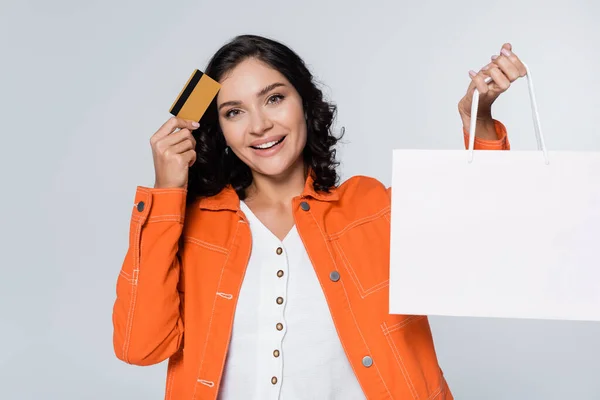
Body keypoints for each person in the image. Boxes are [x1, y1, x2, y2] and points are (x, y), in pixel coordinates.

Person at [112, 34, 523, 399]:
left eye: (274, 98)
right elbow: (140, 345)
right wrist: (166, 193)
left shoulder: (372, 206)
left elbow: (483, 238)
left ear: (305, 103)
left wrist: (479, 122)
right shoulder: (194, 224)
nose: (259, 125)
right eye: (234, 111)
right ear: (216, 128)